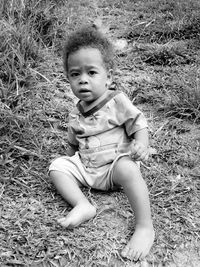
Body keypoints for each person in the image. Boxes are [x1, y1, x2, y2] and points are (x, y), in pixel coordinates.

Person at [49, 25, 155, 262]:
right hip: (88, 171)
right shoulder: (75, 114)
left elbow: (139, 123)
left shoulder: (116, 101)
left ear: (109, 76)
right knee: (57, 167)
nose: (83, 81)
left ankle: (144, 227)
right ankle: (83, 204)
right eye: (75, 74)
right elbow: (73, 146)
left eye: (92, 73)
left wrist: (142, 144)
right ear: (68, 78)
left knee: (127, 168)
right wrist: (69, 162)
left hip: (114, 169)